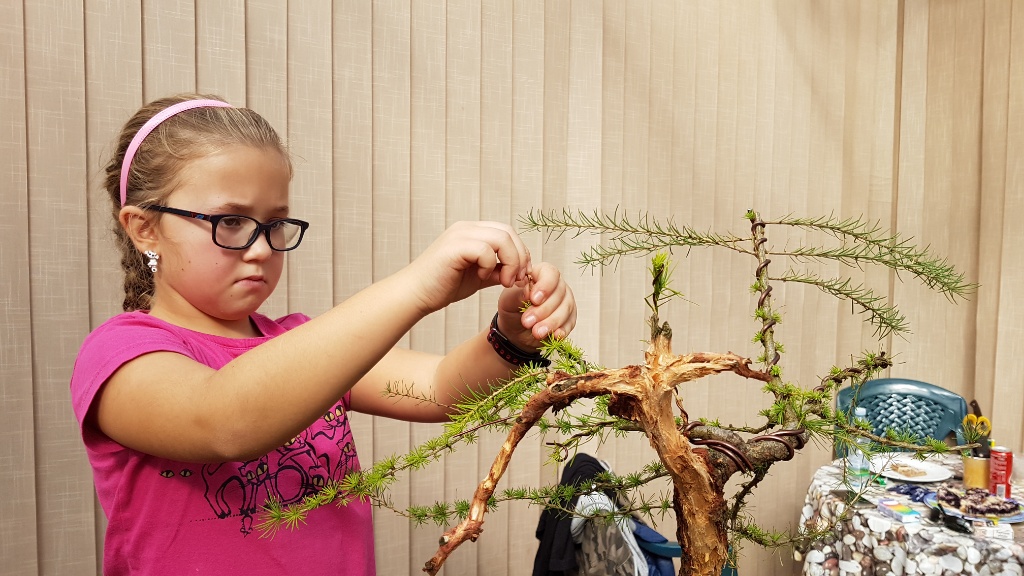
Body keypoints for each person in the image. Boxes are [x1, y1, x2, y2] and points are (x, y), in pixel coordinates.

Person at [70, 94, 577, 576]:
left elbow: (440, 388)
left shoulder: (301, 341)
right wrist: (416, 286)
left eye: (275, 224)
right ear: (144, 228)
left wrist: (512, 336)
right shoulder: (120, 355)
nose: (260, 249)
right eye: (231, 222)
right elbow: (224, 421)